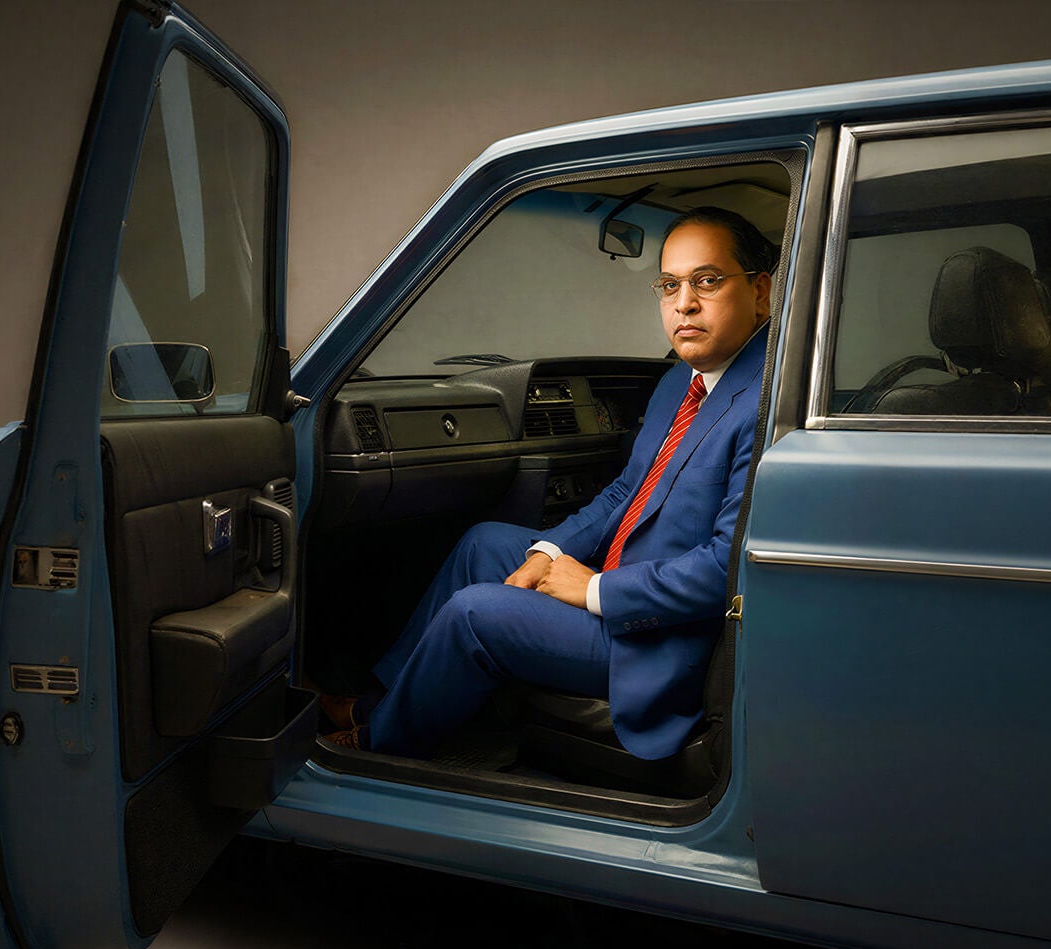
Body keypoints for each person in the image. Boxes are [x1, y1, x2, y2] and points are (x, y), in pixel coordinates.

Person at [325, 206, 776, 761]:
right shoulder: (680, 382)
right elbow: (626, 493)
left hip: (659, 640)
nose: (683, 303)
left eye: (706, 281)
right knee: (483, 544)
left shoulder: (765, 403)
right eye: (669, 285)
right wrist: (550, 552)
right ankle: (377, 704)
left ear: (760, 292)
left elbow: (724, 570)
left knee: (475, 612)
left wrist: (593, 589)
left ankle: (374, 750)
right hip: (626, 578)